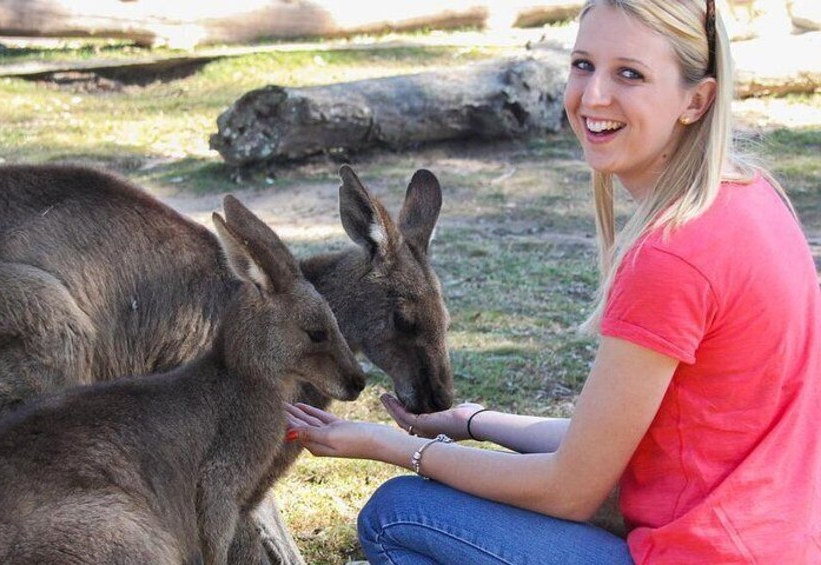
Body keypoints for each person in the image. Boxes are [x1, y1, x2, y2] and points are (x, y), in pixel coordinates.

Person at [285, 0, 821, 562]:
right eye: (583, 65)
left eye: (630, 74)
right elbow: (611, 440)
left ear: (697, 99)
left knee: (398, 514)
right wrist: (472, 422)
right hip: (776, 539)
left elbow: (571, 489)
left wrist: (387, 446)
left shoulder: (672, 254)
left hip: (704, 551)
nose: (593, 97)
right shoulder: (750, 195)